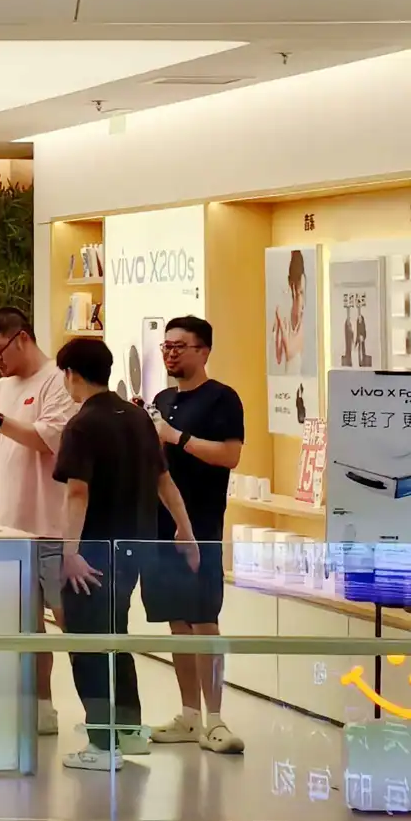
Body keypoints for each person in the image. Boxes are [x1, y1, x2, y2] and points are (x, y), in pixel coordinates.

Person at [52, 337, 199, 772]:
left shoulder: (82, 425)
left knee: (89, 643)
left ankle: (102, 744)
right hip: (136, 547)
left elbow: (77, 493)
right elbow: (164, 481)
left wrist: (70, 552)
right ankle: (128, 732)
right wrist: (186, 531)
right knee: (117, 634)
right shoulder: (137, 417)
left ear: (71, 375)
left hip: (94, 552)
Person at [0, 307, 76, 737]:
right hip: (8, 529)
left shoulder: (57, 381)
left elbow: (51, 440)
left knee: (73, 625)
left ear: (22, 338)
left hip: (50, 527)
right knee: (27, 629)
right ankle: (40, 708)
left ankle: (103, 713)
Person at [145, 317, 246, 755]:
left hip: (201, 523)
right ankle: (189, 715)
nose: (170, 353)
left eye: (179, 346)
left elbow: (230, 455)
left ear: (203, 351)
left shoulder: (222, 398)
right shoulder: (162, 399)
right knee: (176, 620)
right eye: (166, 346)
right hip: (159, 523)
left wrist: (177, 437)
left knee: (205, 618)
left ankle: (216, 718)